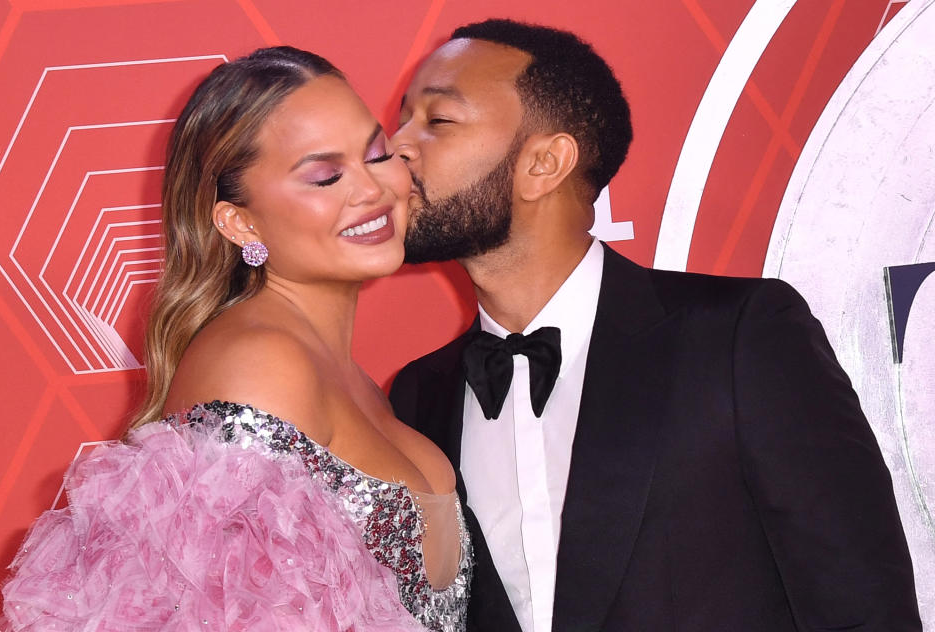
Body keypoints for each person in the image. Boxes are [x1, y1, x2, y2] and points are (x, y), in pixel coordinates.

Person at [388, 18, 921, 632]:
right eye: (402, 120)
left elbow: (864, 610)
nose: (396, 146)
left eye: (438, 120)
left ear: (545, 163)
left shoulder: (739, 339)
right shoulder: (418, 395)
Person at [0, 46, 470, 632]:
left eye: (376, 154)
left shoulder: (345, 375)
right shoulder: (260, 364)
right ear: (240, 222)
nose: (372, 188)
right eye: (326, 175)